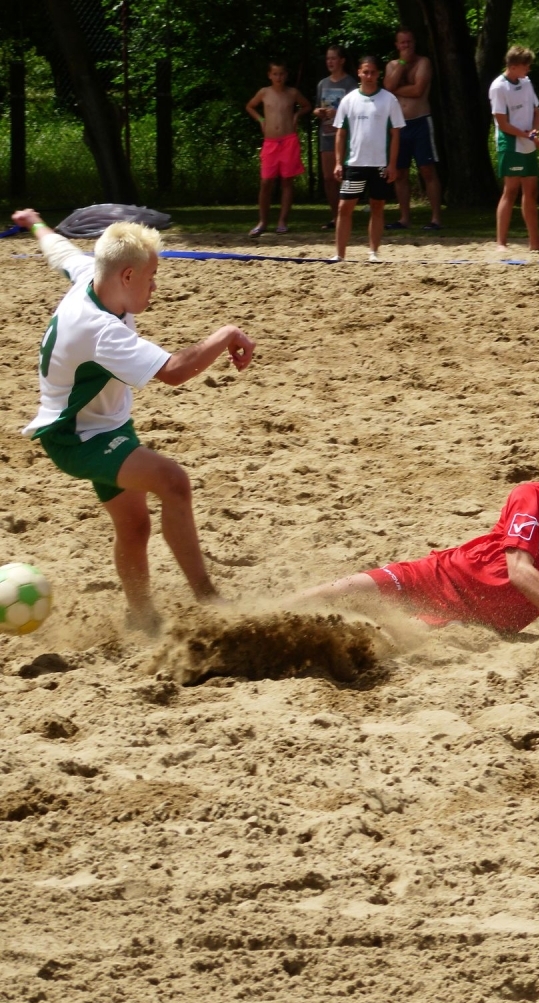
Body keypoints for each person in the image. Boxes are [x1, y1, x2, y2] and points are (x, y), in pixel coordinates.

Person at [11, 208, 255, 632]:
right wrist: (226, 333)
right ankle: (210, 602)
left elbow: (60, 250)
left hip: (106, 425)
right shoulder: (98, 329)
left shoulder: (93, 274)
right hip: (76, 437)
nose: (155, 285)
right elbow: (175, 371)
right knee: (173, 482)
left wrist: (34, 223)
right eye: (151, 276)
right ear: (126, 276)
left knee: (134, 523)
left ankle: (141, 618)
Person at [295, 418, 539, 645]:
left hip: (472, 630)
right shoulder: (532, 496)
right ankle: (237, 620)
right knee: (319, 601)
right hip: (428, 580)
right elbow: (519, 569)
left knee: (356, 645)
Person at [331, 56, 405, 263]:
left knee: (377, 206)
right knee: (344, 207)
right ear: (359, 73)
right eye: (366, 72)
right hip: (355, 163)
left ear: (378, 73)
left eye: (373, 72)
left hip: (380, 164)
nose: (369, 76)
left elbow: (395, 134)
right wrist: (338, 162)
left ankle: (373, 252)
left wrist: (392, 164)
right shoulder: (349, 100)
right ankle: (340, 254)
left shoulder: (389, 100)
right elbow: (341, 133)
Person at [489, 45, 539, 253]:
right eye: (526, 66)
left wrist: (534, 132)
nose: (529, 69)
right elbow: (503, 123)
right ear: (514, 66)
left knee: (531, 191)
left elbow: (536, 111)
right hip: (510, 143)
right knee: (510, 190)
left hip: (527, 141)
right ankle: (501, 243)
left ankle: (535, 241)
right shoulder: (498, 87)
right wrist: (528, 135)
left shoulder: (526, 82)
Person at [383, 28, 443, 231]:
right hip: (400, 125)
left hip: (421, 122)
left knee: (427, 170)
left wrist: (396, 88)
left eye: (409, 42)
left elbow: (418, 90)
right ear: (397, 45)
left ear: (414, 43)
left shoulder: (423, 63)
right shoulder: (392, 65)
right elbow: (387, 85)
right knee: (400, 173)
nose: (406, 46)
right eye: (402, 43)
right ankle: (404, 218)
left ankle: (435, 218)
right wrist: (401, 64)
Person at [245, 61, 311, 237]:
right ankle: (263, 221)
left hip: (288, 141)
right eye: (275, 74)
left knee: (287, 182)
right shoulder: (264, 92)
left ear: (286, 75)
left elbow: (307, 105)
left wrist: (297, 115)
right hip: (270, 142)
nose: (278, 77)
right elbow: (250, 106)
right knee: (266, 182)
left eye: (281, 74)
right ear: (269, 75)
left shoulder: (292, 93)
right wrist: (260, 120)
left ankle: (282, 221)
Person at [313, 46, 358, 230]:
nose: (330, 62)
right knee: (328, 177)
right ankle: (335, 216)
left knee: (344, 177)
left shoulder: (350, 84)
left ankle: (346, 215)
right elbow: (316, 107)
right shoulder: (322, 84)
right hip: (326, 135)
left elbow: (356, 110)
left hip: (345, 136)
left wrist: (338, 112)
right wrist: (320, 112)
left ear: (342, 60)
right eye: (328, 59)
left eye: (333, 58)